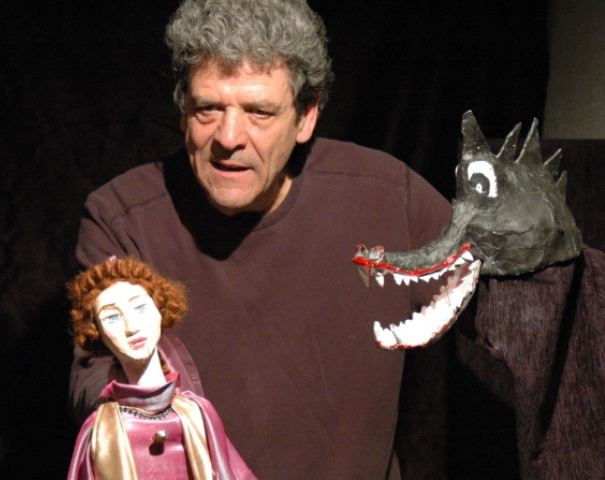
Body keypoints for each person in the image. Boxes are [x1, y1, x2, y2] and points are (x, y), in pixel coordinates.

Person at [70, 0, 451, 478]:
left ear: (306, 116)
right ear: (183, 111)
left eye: (259, 112)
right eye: (208, 108)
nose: (229, 136)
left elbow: (504, 299)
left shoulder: (388, 197)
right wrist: (139, 401)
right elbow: (94, 384)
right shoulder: (121, 217)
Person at [66, 256, 256, 479]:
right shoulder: (101, 430)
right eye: (112, 318)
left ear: (160, 310)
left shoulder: (197, 413)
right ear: (96, 333)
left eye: (140, 307)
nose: (131, 327)